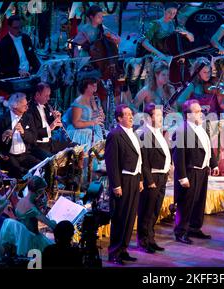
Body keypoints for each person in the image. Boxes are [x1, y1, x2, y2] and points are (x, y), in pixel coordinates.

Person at [173, 99, 219, 244]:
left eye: (201, 111)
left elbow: (208, 146)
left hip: (202, 171)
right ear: (188, 115)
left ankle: (194, 228)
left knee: (199, 201)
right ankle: (181, 231)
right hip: (189, 172)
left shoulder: (202, 127)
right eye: (197, 111)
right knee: (186, 203)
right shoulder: (182, 131)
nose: (201, 114)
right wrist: (182, 177)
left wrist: (214, 164)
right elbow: (178, 156)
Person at [105, 104, 144, 265]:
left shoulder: (132, 133)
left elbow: (139, 158)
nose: (130, 116)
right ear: (119, 118)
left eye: (131, 114)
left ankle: (123, 249)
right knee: (120, 217)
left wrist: (140, 179)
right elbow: (111, 162)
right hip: (123, 181)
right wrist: (116, 185)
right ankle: (114, 252)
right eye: (127, 114)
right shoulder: (115, 135)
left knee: (129, 217)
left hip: (134, 180)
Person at [137, 103, 171, 253]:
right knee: (146, 211)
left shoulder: (158, 132)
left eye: (161, 115)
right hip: (152, 177)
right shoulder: (144, 134)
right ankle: (143, 241)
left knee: (155, 210)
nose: (161, 118)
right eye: (157, 115)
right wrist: (149, 180)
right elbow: (143, 160)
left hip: (162, 176)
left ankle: (151, 238)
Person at [0, 15, 41, 105]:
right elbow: (3, 67)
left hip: (29, 74)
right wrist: (18, 71)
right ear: (9, 27)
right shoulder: (2, 44)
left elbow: (33, 58)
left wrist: (38, 70)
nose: (19, 30)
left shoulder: (26, 38)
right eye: (16, 28)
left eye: (20, 27)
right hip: (13, 75)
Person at [0, 93, 42, 179]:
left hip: (25, 155)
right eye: (24, 106)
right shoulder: (1, 119)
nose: (27, 108)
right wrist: (3, 136)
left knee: (40, 167)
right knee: (18, 173)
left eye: (27, 105)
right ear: (15, 107)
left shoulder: (28, 117)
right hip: (10, 156)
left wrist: (23, 132)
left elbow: (34, 138)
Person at [24, 82, 75, 159]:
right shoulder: (29, 110)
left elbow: (54, 126)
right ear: (37, 95)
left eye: (49, 95)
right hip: (38, 146)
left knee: (75, 146)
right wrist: (51, 127)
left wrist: (57, 119)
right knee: (52, 161)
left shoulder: (46, 106)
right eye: (46, 96)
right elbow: (33, 134)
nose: (48, 98)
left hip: (50, 143)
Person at [14, 176, 55, 253]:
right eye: (43, 190)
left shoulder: (21, 200)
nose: (43, 193)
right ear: (39, 191)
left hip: (22, 238)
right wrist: (54, 223)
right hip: (31, 241)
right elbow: (50, 224)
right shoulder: (32, 208)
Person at [62, 78, 105, 152]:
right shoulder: (78, 102)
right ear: (86, 87)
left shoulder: (93, 99)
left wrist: (101, 116)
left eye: (96, 86)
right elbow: (76, 123)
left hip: (92, 131)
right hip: (80, 133)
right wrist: (93, 122)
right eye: (93, 86)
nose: (95, 89)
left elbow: (96, 117)